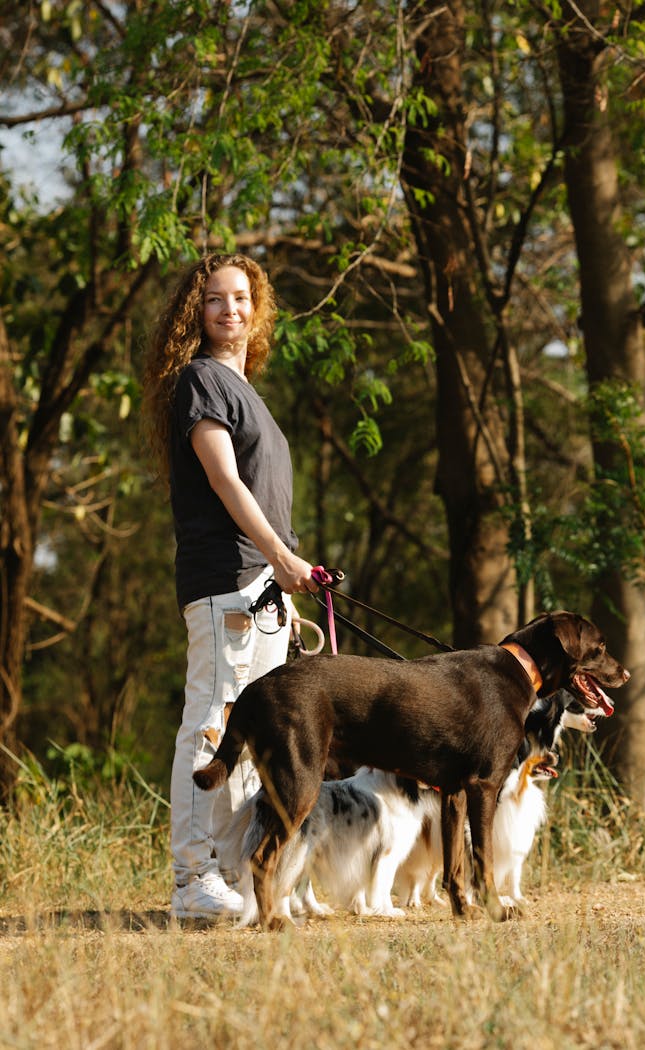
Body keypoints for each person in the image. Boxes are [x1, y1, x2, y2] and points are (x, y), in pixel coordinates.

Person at [142, 252, 317, 919]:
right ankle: (192, 883)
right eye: (215, 299)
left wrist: (281, 583)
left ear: (258, 306)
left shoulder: (248, 392)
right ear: (197, 309)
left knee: (254, 740)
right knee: (211, 726)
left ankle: (245, 882)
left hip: (262, 592)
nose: (231, 310)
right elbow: (225, 482)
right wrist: (279, 556)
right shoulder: (199, 381)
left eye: (242, 297)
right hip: (225, 585)